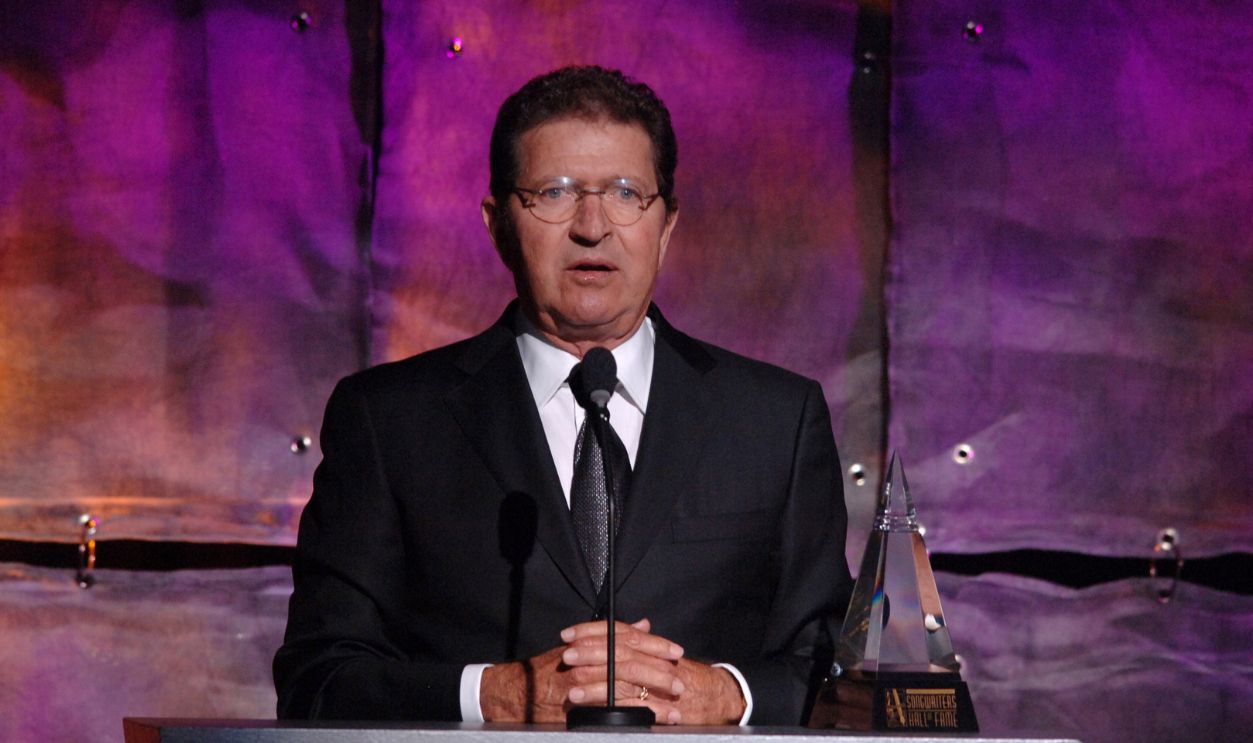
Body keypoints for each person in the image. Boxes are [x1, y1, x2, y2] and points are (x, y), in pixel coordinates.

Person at [274, 65, 852, 726]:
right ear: (497, 225)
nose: (592, 225)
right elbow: (318, 678)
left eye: (627, 193)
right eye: (553, 192)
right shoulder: (388, 420)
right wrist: (496, 694)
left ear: (665, 226)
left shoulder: (774, 420)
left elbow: (832, 668)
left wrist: (721, 693)